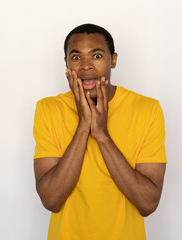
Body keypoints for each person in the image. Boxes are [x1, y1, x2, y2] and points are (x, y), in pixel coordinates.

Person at [33, 23, 167, 240]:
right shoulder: (48, 110)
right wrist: (83, 126)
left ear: (113, 60)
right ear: (66, 64)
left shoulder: (147, 110)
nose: (86, 66)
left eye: (96, 56)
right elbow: (51, 199)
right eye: (76, 58)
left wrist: (102, 135)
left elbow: (148, 203)